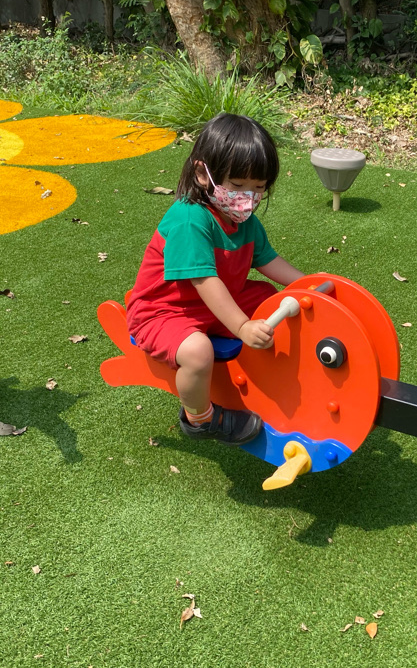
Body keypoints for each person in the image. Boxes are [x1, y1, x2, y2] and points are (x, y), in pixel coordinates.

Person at [126, 114, 304, 445]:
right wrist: (242, 326)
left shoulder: (245, 221)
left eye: (259, 187)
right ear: (202, 174)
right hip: (164, 311)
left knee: (270, 299)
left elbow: (269, 261)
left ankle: (278, 376)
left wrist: (307, 284)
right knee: (198, 352)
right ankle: (200, 418)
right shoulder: (189, 219)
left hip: (215, 305)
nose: (248, 197)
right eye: (237, 185)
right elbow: (205, 282)